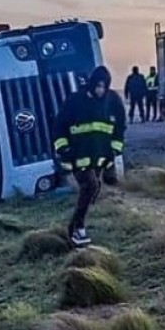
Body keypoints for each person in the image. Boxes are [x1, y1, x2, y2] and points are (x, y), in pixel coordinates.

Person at [53, 66, 126, 247]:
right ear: (92, 84)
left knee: (95, 187)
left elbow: (119, 128)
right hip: (78, 155)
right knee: (90, 185)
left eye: (104, 86)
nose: (101, 90)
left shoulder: (113, 101)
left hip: (100, 156)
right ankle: (78, 227)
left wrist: (114, 150)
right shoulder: (75, 101)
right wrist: (64, 149)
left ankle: (74, 226)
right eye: (98, 86)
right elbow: (59, 126)